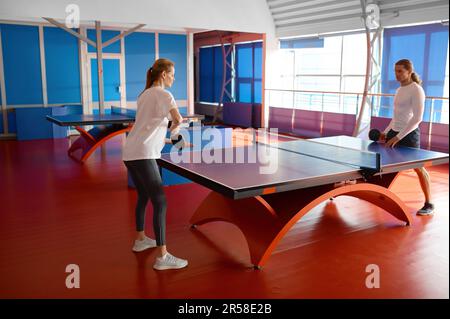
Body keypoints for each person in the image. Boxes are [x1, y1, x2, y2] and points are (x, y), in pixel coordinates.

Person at [122, 58, 188, 270]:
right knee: (160, 201)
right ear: (163, 75)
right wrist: (178, 129)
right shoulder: (165, 95)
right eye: (172, 74)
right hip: (144, 155)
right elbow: (176, 120)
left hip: (130, 153)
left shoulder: (145, 95)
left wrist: (173, 139)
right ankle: (163, 256)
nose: (173, 78)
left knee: (143, 196)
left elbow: (150, 127)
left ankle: (141, 240)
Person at [381, 59, 434, 216]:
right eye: (395, 71)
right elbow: (396, 116)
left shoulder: (416, 90)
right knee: (383, 164)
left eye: (400, 71)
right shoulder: (399, 90)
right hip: (394, 132)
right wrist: (386, 131)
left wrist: (398, 137)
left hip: (409, 135)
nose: (397, 74)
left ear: (409, 71)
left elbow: (417, 118)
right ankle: (380, 194)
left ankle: (429, 203)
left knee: (418, 168)